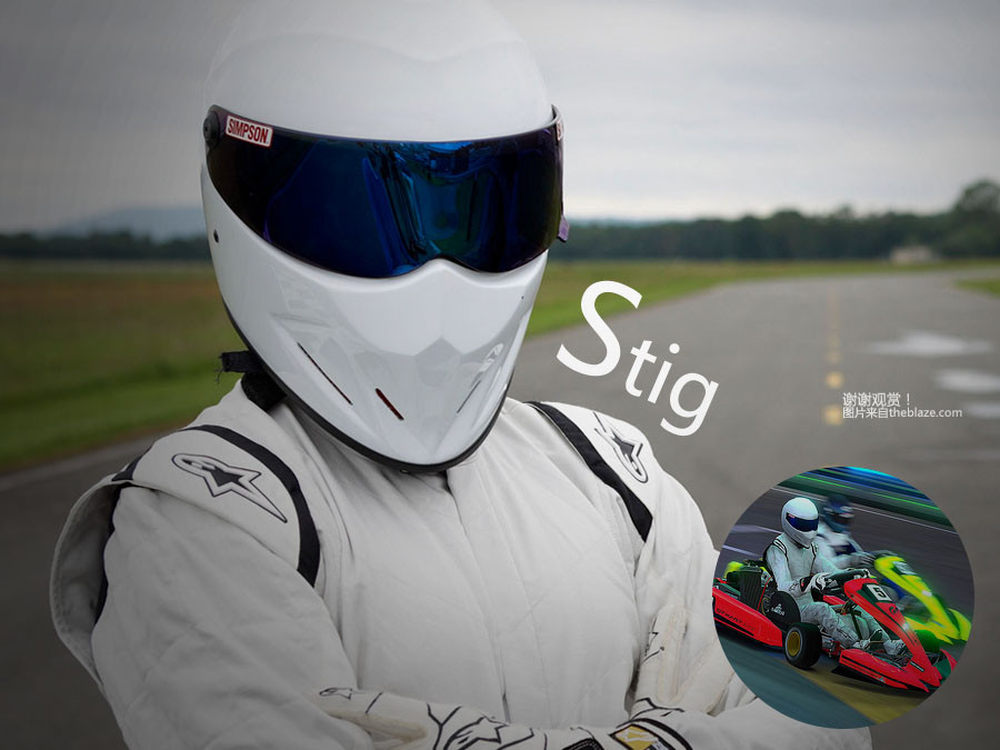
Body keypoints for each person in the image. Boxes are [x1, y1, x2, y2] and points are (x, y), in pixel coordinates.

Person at [50, 2, 869, 748]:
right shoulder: (200, 510)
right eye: (364, 212)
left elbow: (824, 712)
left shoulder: (614, 468)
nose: (437, 269)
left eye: (479, 207)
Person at [765, 497, 901, 654]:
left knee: (857, 604)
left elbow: (832, 571)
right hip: (787, 609)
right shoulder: (777, 550)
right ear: (788, 520)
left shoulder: (811, 549)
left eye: (811, 525)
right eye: (803, 525)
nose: (808, 530)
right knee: (821, 608)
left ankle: (887, 644)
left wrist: (853, 575)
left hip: (809, 605)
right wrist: (811, 581)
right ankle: (855, 645)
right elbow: (784, 588)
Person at [815, 494, 875, 570]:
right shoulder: (819, 536)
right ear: (829, 515)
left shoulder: (843, 534)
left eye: (846, 520)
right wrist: (850, 560)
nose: (843, 522)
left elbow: (858, 553)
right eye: (841, 519)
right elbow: (826, 565)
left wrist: (871, 557)